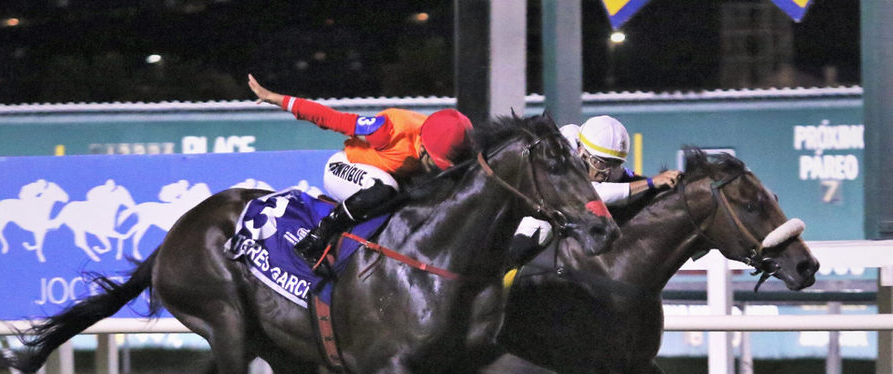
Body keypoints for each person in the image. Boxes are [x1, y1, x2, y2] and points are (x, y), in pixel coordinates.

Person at [247, 73, 474, 271]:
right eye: (436, 162)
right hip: (344, 168)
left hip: (382, 176)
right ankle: (317, 237)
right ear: (424, 147)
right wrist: (276, 99)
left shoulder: (444, 136)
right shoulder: (387, 130)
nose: (438, 167)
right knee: (387, 189)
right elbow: (331, 119)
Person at [507, 115, 681, 266]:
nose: (606, 172)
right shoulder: (562, 151)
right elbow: (595, 193)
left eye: (614, 164)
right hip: (525, 206)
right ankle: (502, 278)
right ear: (581, 150)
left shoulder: (598, 158)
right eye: (600, 163)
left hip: (560, 213)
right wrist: (650, 182)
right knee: (541, 229)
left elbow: (626, 180)